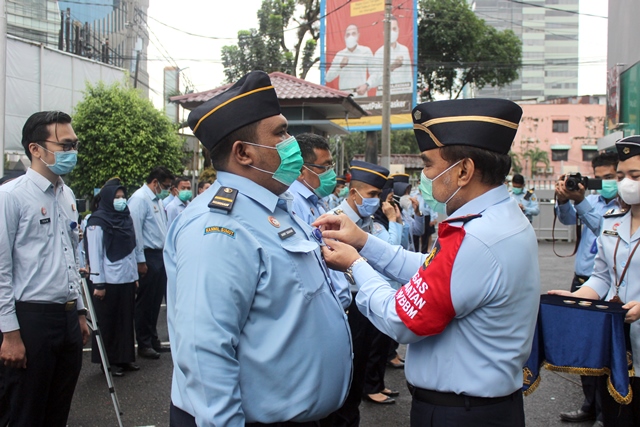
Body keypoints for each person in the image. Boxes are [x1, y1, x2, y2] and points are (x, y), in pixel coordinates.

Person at [314, 98, 540, 427]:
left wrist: (356, 266)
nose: (425, 176)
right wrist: (363, 241)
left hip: (461, 413)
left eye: (429, 165)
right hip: (476, 407)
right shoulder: (495, 219)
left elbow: (401, 320)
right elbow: (428, 269)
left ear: (463, 170)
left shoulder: (476, 238)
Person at [164, 70, 352, 427]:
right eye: (280, 133)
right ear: (244, 153)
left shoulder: (278, 207)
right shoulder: (219, 226)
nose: (291, 142)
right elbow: (205, 351)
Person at [0, 111, 90, 427]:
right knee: (26, 412)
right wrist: (9, 333)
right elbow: (1, 269)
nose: (72, 152)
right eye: (65, 145)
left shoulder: (67, 195)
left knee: (57, 410)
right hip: (31, 320)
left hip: (65, 318)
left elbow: (71, 256)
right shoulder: (10, 197)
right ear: (35, 149)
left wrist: (78, 312)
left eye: (75, 144)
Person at [549, 136, 640, 427]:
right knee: (616, 414)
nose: (626, 183)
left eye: (634, 176)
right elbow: (602, 276)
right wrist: (578, 297)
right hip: (615, 335)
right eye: (622, 175)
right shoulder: (613, 219)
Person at [554, 151, 621, 426]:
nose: (607, 183)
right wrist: (563, 200)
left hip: (606, 285)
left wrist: (581, 203)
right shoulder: (590, 199)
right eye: (601, 177)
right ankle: (589, 406)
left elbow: (602, 229)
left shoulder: (624, 206)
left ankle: (607, 413)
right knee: (583, 348)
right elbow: (569, 220)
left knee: (605, 351)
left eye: (611, 177)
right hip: (583, 279)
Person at [327, 160, 394, 424]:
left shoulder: (370, 224)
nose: (376, 201)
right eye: (372, 195)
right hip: (344, 306)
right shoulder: (333, 221)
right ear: (353, 193)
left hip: (366, 298)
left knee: (362, 362)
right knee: (344, 373)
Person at [288, 133, 351, 311]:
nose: (331, 173)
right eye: (324, 167)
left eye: (331, 165)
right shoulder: (294, 203)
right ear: (301, 171)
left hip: (336, 305)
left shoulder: (316, 201)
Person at [86, 178, 139, 377]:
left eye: (123, 196)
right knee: (109, 322)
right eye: (117, 197)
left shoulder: (126, 218)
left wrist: (134, 276)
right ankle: (108, 362)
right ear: (108, 199)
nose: (121, 200)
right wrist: (98, 283)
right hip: (108, 280)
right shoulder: (97, 221)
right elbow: (95, 252)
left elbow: (132, 249)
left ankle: (125, 358)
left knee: (125, 321)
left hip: (126, 278)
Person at [127, 166, 174, 359]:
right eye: (165, 186)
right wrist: (140, 260)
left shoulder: (156, 200)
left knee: (155, 302)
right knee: (145, 303)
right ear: (155, 182)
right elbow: (135, 232)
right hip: (148, 255)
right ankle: (143, 342)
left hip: (159, 255)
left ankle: (153, 339)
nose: (167, 190)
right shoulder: (139, 199)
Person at [363, 15, 413, 96]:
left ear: (398, 30)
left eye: (394, 29)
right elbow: (375, 77)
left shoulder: (404, 50)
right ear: (384, 32)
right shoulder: (379, 53)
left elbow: (408, 77)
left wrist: (409, 97)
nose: (392, 32)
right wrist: (392, 67)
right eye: (389, 29)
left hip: (402, 99)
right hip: (383, 100)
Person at [325, 24, 373, 98]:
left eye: (353, 33)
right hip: (344, 97)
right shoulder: (340, 55)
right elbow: (328, 78)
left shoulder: (366, 51)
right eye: (348, 34)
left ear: (358, 35)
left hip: (360, 97)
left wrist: (366, 85)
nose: (351, 36)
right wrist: (340, 66)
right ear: (345, 37)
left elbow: (375, 73)